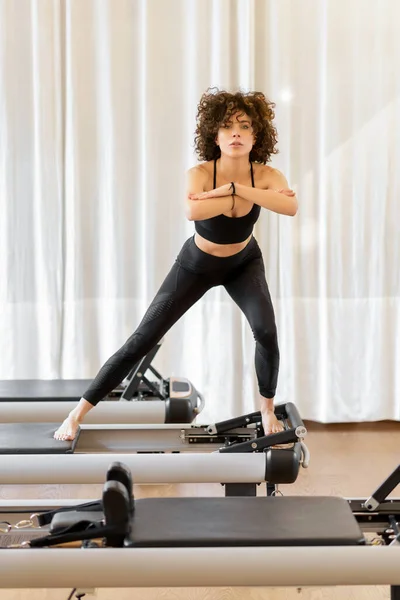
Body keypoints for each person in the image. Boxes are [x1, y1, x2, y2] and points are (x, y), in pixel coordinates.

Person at [54, 88, 298, 442]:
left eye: (244, 127)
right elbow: (193, 211)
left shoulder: (266, 174)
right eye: (227, 127)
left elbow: (290, 207)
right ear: (214, 135)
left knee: (266, 331)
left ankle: (266, 407)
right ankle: (76, 414)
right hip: (196, 264)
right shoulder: (199, 172)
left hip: (243, 263)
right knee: (142, 339)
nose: (235, 134)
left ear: (255, 135)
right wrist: (247, 194)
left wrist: (232, 190)